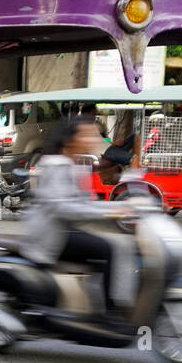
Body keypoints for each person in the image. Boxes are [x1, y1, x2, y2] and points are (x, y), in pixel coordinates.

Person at [21, 116, 118, 311]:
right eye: (86, 136)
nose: (92, 140)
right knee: (107, 248)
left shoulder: (75, 164)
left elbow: (83, 204)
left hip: (63, 229)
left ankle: (92, 303)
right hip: (51, 236)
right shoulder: (57, 165)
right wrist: (111, 211)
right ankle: (109, 311)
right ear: (70, 140)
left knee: (105, 249)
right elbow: (63, 208)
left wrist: (114, 209)